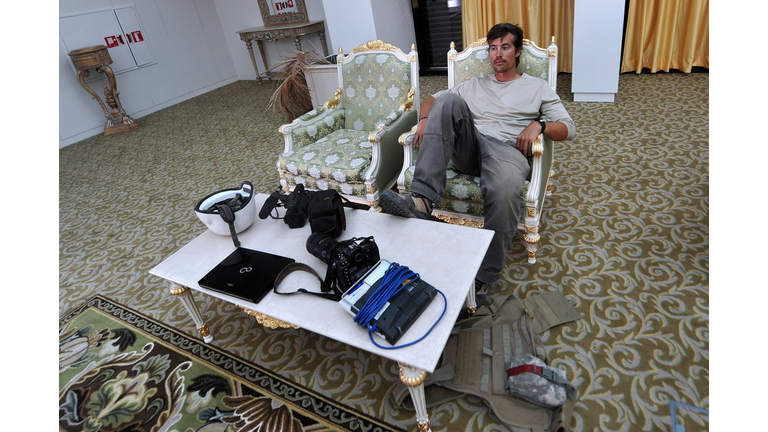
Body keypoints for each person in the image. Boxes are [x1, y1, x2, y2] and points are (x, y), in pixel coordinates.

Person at [379, 23, 576, 302]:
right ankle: (421, 201)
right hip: (470, 146)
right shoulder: (474, 84)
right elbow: (432, 100)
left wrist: (540, 125)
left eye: (505, 47)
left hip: (507, 150)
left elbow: (569, 129)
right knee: (447, 100)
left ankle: (485, 274)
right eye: (493, 48)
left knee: (506, 189)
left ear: (517, 51)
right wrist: (424, 119)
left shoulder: (537, 87)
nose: (498, 54)